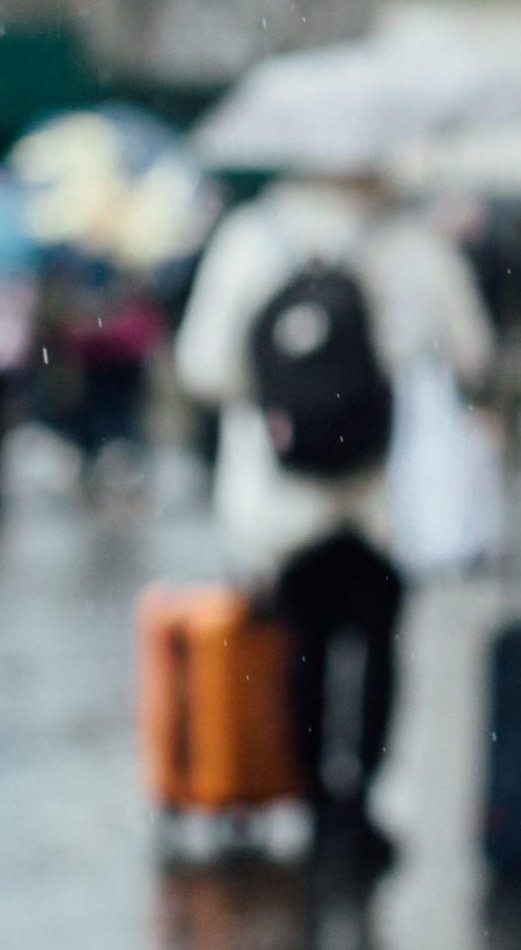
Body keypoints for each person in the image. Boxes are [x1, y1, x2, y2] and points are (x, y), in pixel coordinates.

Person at [173, 171, 495, 870]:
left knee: (300, 647)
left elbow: (203, 365)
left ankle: (317, 804)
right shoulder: (414, 241)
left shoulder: (249, 239)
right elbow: (473, 353)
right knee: (379, 645)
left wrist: (287, 377)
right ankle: (361, 808)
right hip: (385, 491)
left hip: (282, 491)